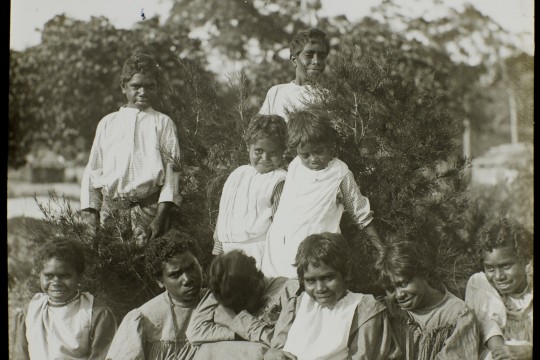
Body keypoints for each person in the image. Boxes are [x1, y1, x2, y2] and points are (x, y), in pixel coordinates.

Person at [261, 109, 382, 278]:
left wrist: (381, 251)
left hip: (317, 255)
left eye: (319, 151)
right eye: (305, 155)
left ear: (329, 145)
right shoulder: (295, 166)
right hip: (279, 252)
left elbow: (360, 214)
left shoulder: (339, 174)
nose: (313, 159)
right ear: (296, 152)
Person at [80, 52, 181, 244]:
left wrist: (159, 219)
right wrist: (92, 217)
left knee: (148, 266)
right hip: (113, 210)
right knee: (113, 265)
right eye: (136, 86)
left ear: (157, 87)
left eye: (150, 86)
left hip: (150, 211)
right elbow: (93, 170)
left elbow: (172, 176)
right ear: (123, 87)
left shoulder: (163, 123)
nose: (143, 92)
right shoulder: (108, 123)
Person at [265, 232, 398, 360]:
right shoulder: (297, 305)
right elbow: (277, 348)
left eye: (328, 277)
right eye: (311, 280)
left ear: (346, 273)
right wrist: (272, 354)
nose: (320, 288)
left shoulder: (364, 311)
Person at [11, 237, 117, 359]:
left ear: (79, 277)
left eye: (65, 276)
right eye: (49, 276)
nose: (56, 282)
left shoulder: (95, 313)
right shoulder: (30, 312)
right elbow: (19, 355)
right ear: (39, 275)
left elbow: (102, 356)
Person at [106, 229, 204, 360]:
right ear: (160, 281)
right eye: (175, 274)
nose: (187, 279)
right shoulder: (145, 319)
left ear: (200, 265)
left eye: (192, 267)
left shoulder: (219, 301)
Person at [375, 239, 481, 360]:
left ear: (424, 274)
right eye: (390, 288)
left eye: (403, 284)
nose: (399, 295)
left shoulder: (457, 316)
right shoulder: (386, 310)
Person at [186, 250, 299, 360]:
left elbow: (281, 346)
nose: (237, 309)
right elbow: (194, 332)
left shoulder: (288, 290)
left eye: (239, 305)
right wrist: (238, 333)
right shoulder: (230, 293)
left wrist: (237, 321)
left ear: (255, 284)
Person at [212, 114, 288, 269]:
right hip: (227, 253)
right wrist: (218, 251)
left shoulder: (280, 180)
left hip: (259, 255)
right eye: (258, 151)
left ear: (283, 152)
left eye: (272, 153)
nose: (265, 158)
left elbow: (280, 226)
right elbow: (224, 214)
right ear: (248, 147)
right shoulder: (238, 174)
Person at [465, 218, 533, 360]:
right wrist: (501, 352)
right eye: (490, 268)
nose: (498, 276)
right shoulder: (482, 286)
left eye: (506, 266)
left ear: (525, 259)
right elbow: (487, 323)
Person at [259, 28, 329, 122]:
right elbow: (261, 131)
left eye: (322, 56)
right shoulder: (276, 93)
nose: (316, 61)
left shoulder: (328, 96)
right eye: (309, 55)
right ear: (294, 60)